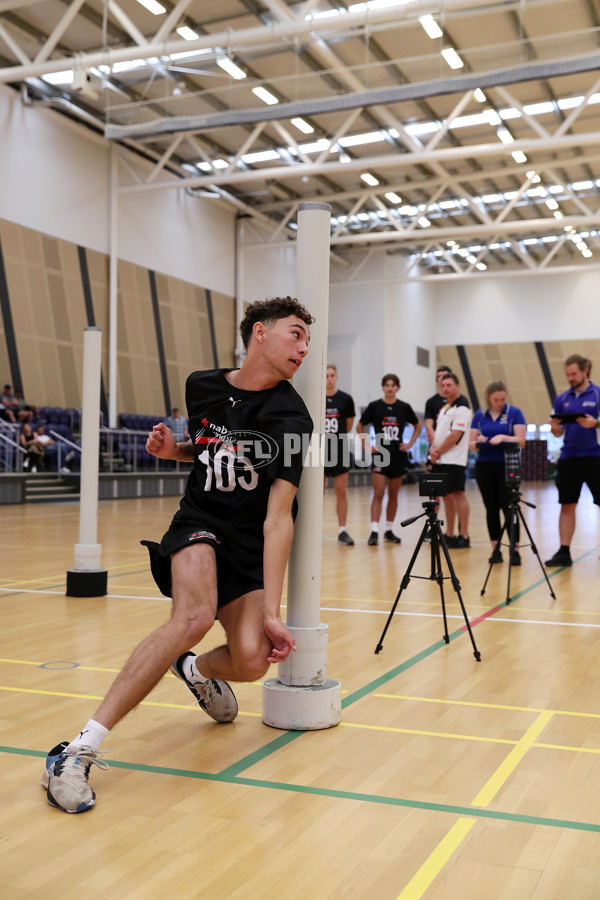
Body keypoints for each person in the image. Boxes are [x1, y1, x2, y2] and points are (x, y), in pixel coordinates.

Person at [41, 296, 314, 814]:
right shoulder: (202, 385)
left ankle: (193, 670)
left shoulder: (293, 418)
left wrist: (273, 612)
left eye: (306, 339)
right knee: (192, 617)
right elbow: (212, 444)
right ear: (261, 333)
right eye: (295, 334)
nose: (304, 348)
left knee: (253, 661)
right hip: (200, 525)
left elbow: (280, 517)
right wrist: (177, 450)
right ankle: (76, 750)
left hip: (247, 544)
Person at [545, 354, 600, 567]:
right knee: (567, 505)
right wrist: (555, 428)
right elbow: (558, 433)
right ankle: (564, 551)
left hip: (594, 457)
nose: (570, 377)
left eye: (574, 373)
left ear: (585, 371)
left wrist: (594, 424)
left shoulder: (597, 394)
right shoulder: (562, 399)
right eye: (567, 374)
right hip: (568, 458)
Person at [357, 373, 420, 546]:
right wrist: (366, 445)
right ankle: (374, 530)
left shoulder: (404, 407)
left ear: (397, 387)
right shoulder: (375, 406)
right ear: (383, 387)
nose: (390, 388)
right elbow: (359, 425)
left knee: (393, 493)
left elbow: (417, 425)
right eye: (387, 385)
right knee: (378, 493)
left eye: (393, 385)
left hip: (398, 456)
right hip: (380, 455)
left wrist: (410, 443)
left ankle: (389, 529)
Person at [469, 381, 526, 564]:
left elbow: (521, 441)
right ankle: (496, 549)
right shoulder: (479, 415)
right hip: (484, 466)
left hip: (507, 465)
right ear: (488, 397)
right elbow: (471, 445)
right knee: (491, 508)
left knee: (509, 507)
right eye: (496, 400)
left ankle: (514, 550)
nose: (499, 402)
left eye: (502, 399)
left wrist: (503, 437)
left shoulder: (514, 413)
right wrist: (481, 440)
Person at [429, 372, 472, 548]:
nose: (445, 388)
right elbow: (440, 434)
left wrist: (438, 451)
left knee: (458, 494)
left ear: (457, 386)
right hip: (441, 459)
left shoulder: (462, 407)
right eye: (443, 386)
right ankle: (450, 534)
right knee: (446, 496)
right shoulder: (446, 407)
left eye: (449, 385)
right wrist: (433, 449)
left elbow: (455, 435)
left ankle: (464, 535)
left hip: (454, 459)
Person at [324, 363, 356, 545]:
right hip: (318, 448)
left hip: (339, 448)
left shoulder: (345, 399)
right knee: (315, 493)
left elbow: (349, 425)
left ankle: (342, 530)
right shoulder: (316, 397)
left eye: (332, 375)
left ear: (336, 377)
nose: (329, 379)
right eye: (326, 375)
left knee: (341, 491)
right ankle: (312, 530)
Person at [424, 365, 469, 444]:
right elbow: (428, 423)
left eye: (444, 376)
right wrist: (433, 438)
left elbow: (457, 432)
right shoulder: (432, 402)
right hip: (436, 443)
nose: (441, 378)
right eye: (439, 376)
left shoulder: (461, 402)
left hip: (452, 445)